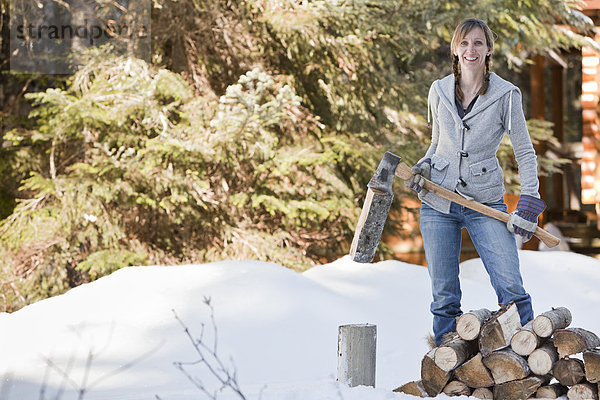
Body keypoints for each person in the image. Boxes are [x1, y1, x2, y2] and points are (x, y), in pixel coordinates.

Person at [405, 17, 545, 346]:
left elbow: (524, 151)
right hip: (438, 202)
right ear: (455, 49)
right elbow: (436, 143)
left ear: (488, 50)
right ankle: (446, 362)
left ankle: (527, 355)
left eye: (478, 43)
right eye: (464, 43)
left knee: (511, 285)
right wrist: (423, 167)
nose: (471, 49)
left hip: (484, 202)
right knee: (444, 295)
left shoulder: (506, 95)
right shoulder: (438, 90)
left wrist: (529, 201)